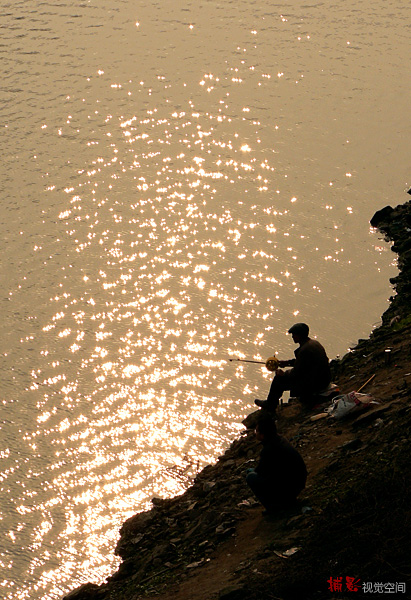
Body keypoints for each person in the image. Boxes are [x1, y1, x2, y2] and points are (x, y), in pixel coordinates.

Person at [255, 322, 331, 412]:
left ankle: (270, 405)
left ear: (300, 335)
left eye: (294, 334)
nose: (292, 337)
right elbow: (304, 363)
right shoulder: (313, 343)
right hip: (324, 379)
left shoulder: (304, 350)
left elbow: (296, 373)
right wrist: (286, 363)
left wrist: (283, 374)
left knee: (278, 381)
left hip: (316, 384)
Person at [246, 413, 307, 514]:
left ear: (262, 435)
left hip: (289, 487)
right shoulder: (280, 439)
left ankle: (273, 508)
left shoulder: (269, 450)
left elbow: (261, 471)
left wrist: (254, 471)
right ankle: (286, 501)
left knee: (250, 476)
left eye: (257, 431)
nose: (255, 433)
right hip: (298, 483)